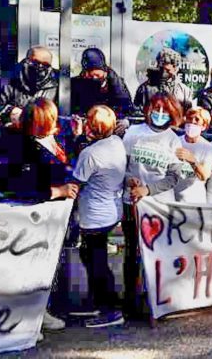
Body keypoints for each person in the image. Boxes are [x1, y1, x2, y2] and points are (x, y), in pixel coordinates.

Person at [122, 93, 186, 317]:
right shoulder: (132, 133)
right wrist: (131, 181)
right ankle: (131, 301)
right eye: (155, 108)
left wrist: (148, 189)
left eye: (165, 110)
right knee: (133, 253)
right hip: (133, 203)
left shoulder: (172, 140)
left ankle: (160, 300)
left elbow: (173, 178)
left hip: (160, 206)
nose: (159, 114)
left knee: (160, 253)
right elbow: (124, 166)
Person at [18, 97, 78, 333]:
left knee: (58, 262)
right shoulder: (24, 147)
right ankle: (37, 314)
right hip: (41, 214)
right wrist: (57, 191)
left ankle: (54, 307)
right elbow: (23, 187)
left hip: (62, 214)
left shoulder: (58, 139)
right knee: (38, 265)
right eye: (50, 119)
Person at [71, 105, 126, 328]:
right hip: (110, 209)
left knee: (96, 261)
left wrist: (76, 140)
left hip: (94, 214)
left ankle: (109, 309)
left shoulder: (90, 154)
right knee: (93, 256)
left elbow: (77, 180)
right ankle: (98, 303)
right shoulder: (116, 143)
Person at [0, 45, 58, 123]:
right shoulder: (5, 78)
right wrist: (10, 111)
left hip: (41, 131)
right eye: (35, 63)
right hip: (9, 131)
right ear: (26, 60)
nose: (40, 67)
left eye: (45, 65)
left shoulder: (57, 83)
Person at [72, 48, 138, 121]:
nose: (93, 78)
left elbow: (127, 108)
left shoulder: (117, 84)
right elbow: (73, 109)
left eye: (96, 75)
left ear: (105, 72)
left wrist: (126, 120)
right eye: (89, 75)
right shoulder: (77, 84)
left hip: (111, 125)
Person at [174, 107, 212, 203]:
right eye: (189, 119)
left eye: (197, 120)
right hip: (172, 197)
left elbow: (204, 176)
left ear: (204, 126)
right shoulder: (175, 141)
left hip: (194, 200)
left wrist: (192, 160)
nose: (192, 122)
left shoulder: (208, 148)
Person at [134, 48, 194, 113]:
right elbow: (137, 112)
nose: (163, 73)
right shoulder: (144, 89)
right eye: (161, 69)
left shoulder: (185, 91)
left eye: (167, 70)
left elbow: (189, 115)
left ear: (175, 69)